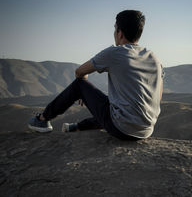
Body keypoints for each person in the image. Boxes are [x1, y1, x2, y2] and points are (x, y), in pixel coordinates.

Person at [28, 10, 163, 140]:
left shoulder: (115, 53)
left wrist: (82, 91)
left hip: (122, 129)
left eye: (115, 28)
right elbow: (158, 94)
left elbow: (79, 72)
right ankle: (77, 127)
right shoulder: (154, 58)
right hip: (146, 130)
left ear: (119, 33)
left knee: (80, 85)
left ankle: (42, 120)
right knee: (115, 107)